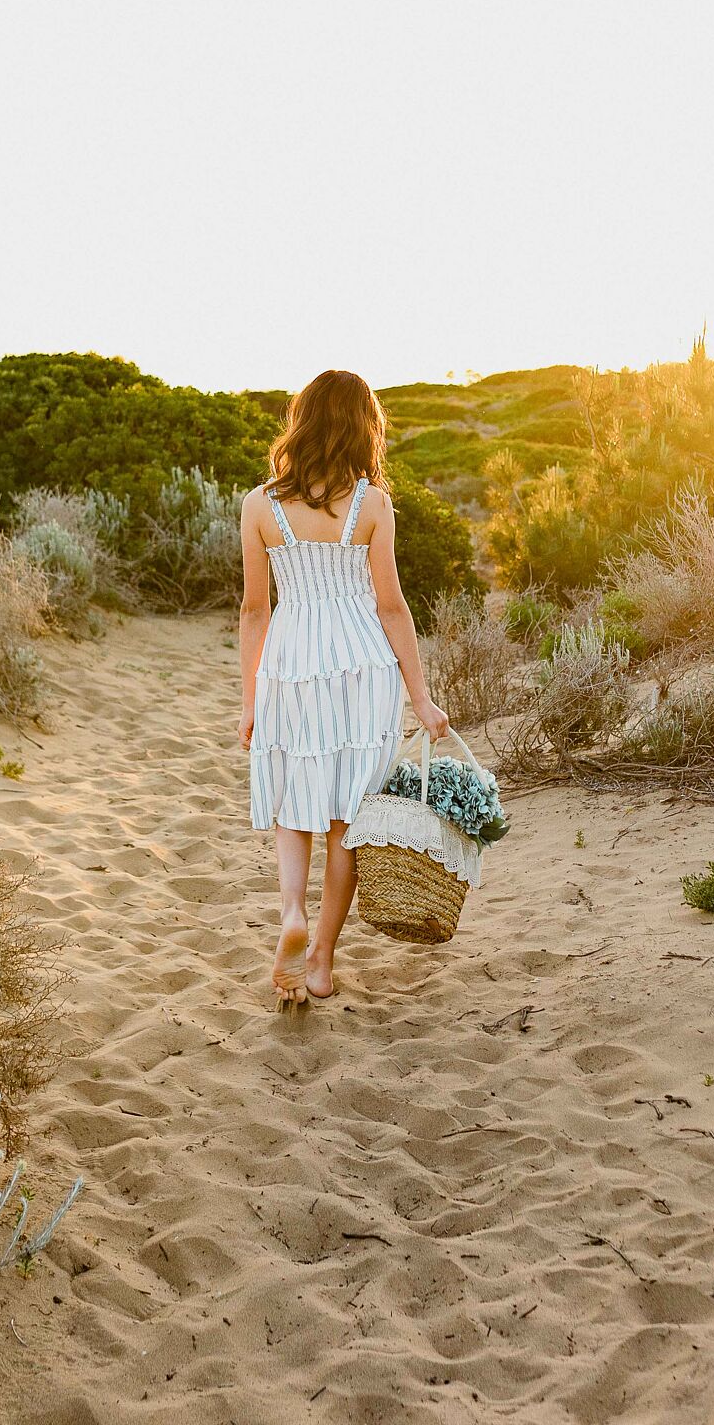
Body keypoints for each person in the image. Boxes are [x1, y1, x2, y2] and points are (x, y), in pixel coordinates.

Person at [239, 369, 449, 1005]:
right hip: (362, 663)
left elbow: (254, 610)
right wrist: (421, 696)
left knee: (292, 804)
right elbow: (392, 606)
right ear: (365, 428)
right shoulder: (373, 504)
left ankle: (292, 918)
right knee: (345, 820)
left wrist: (249, 702)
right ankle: (323, 959)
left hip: (292, 660)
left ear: (300, 422)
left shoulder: (259, 505)